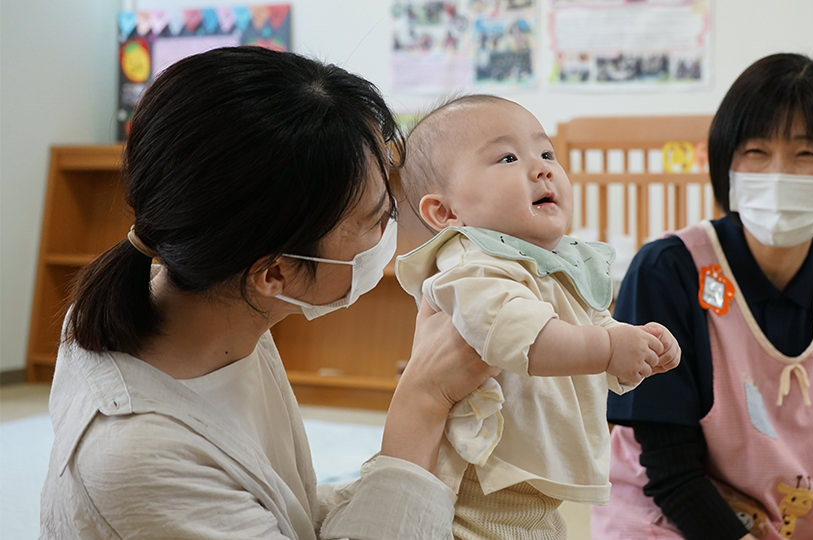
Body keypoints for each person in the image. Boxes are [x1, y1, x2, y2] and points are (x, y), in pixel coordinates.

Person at [39, 46, 499, 540]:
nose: (391, 224)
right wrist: (422, 401)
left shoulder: (206, 313)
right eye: (375, 220)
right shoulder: (136, 456)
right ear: (275, 274)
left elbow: (286, 510)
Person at [590, 53, 813, 540]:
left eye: (807, 154)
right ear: (728, 163)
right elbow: (670, 471)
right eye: (756, 151)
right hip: (667, 525)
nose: (778, 174)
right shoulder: (668, 271)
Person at [395, 94, 681, 540]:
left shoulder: (549, 261)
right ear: (445, 212)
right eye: (508, 157)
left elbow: (585, 327)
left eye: (547, 153)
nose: (542, 168)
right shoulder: (470, 263)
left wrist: (634, 343)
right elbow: (517, 333)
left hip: (531, 488)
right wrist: (607, 349)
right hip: (478, 488)